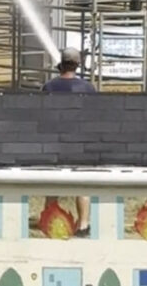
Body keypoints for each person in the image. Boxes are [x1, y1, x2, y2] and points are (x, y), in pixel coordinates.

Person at [43, 47, 96, 238]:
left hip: (55, 141)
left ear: (61, 63)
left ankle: (49, 221)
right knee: (82, 184)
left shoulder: (49, 87)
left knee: (52, 185)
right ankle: (83, 225)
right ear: (78, 64)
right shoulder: (88, 89)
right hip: (80, 142)